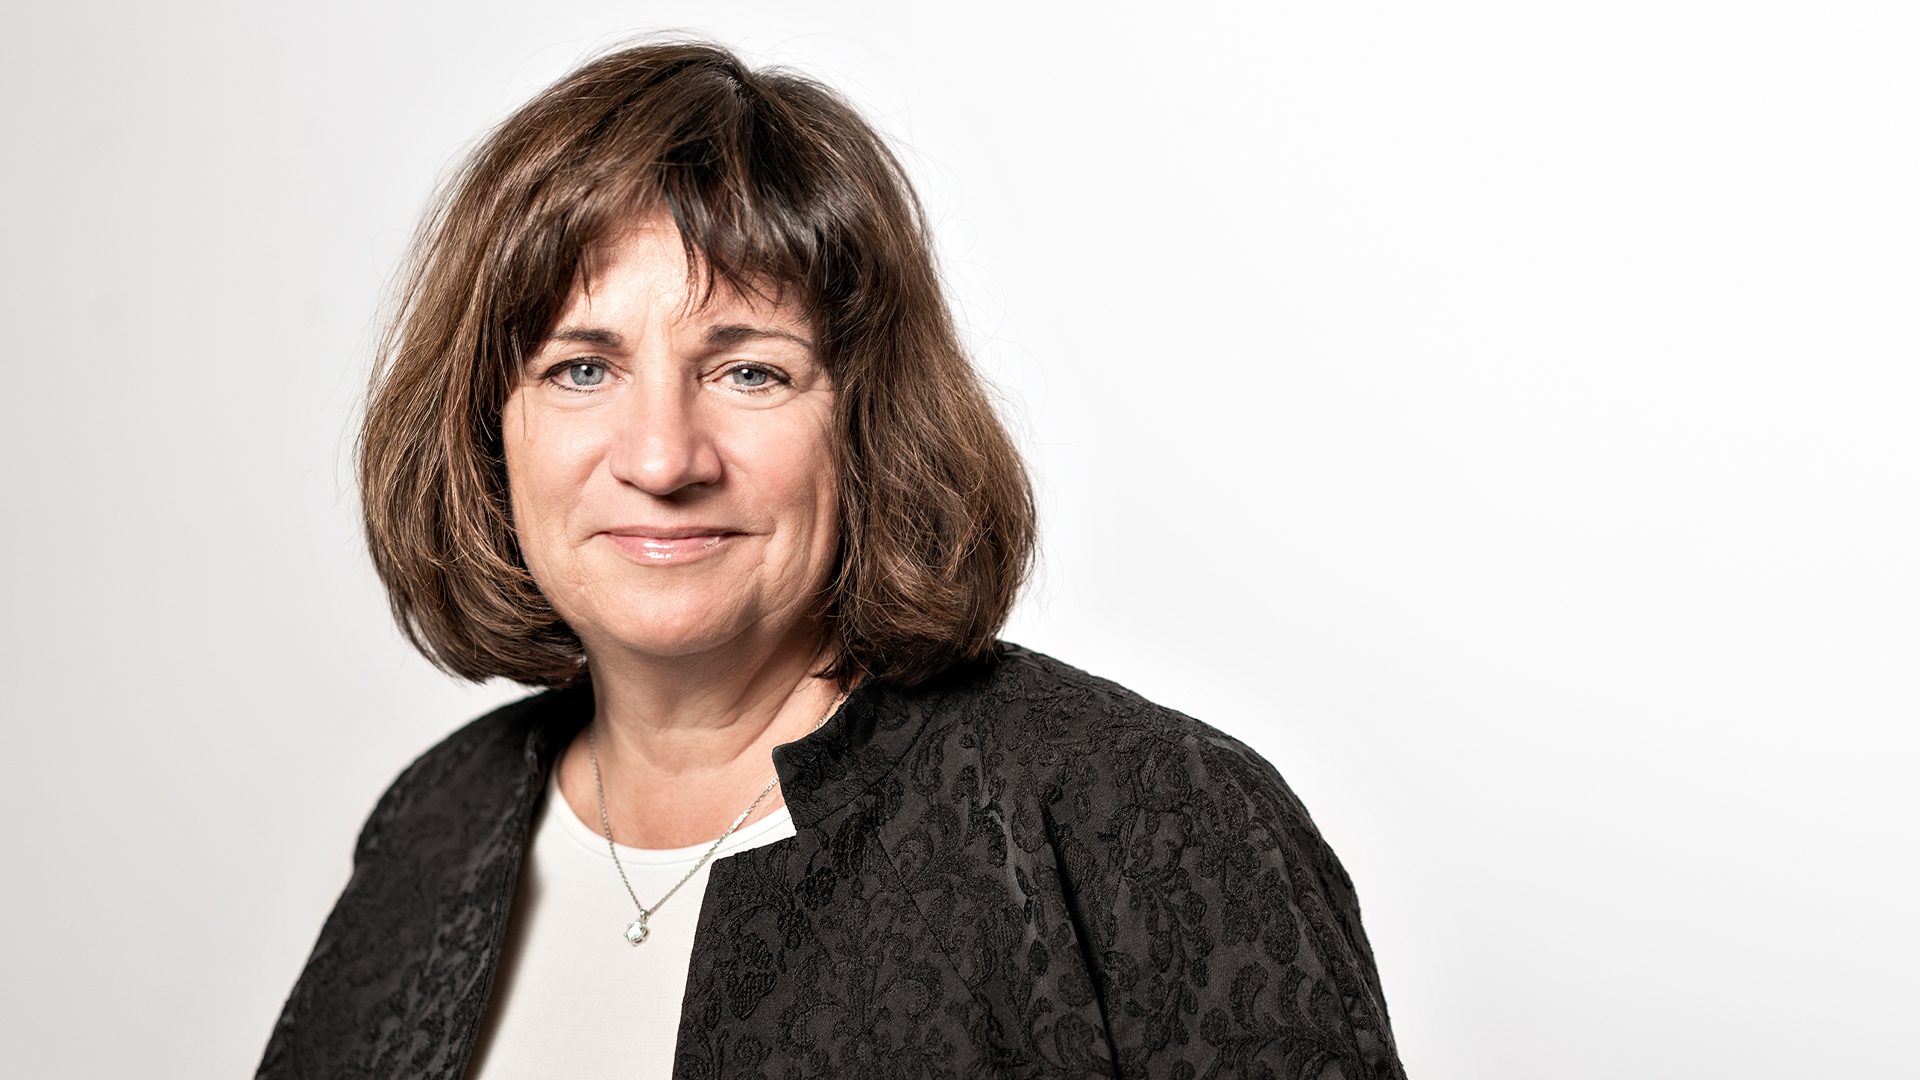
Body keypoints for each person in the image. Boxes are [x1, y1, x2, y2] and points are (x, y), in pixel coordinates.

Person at [257, 38, 1404, 1080]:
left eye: (749, 371)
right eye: (581, 369)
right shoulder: (434, 824)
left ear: (867, 421)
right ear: (486, 428)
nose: (661, 457)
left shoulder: (1145, 815)